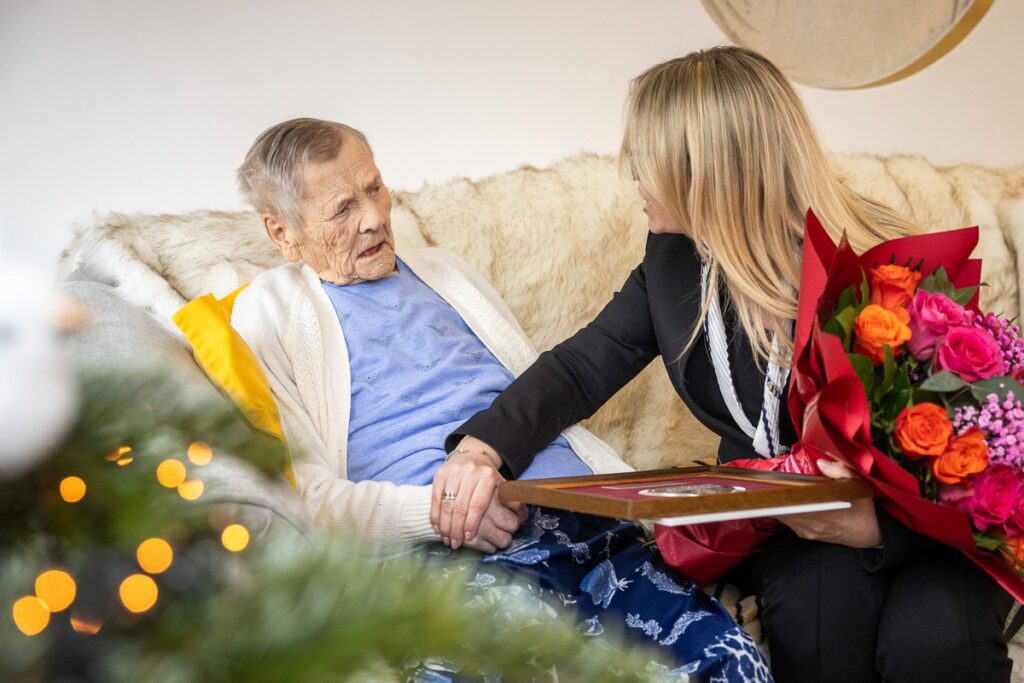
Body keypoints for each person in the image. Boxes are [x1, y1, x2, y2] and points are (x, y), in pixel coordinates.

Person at [436, 47, 1016, 683]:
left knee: (938, 644)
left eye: (643, 162)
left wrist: (877, 531)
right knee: (820, 619)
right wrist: (483, 449)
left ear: (705, 172)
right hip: (791, 529)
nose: (633, 181)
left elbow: (984, 456)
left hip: (922, 529)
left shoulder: (883, 270)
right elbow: (582, 366)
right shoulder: (673, 263)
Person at [230, 117, 771, 681]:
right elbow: (309, 504)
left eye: (374, 188)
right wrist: (443, 516)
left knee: (733, 664)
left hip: (587, 523)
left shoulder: (446, 273)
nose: (374, 218)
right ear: (282, 233)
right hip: (456, 556)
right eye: (342, 209)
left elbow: (542, 393)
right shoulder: (267, 314)